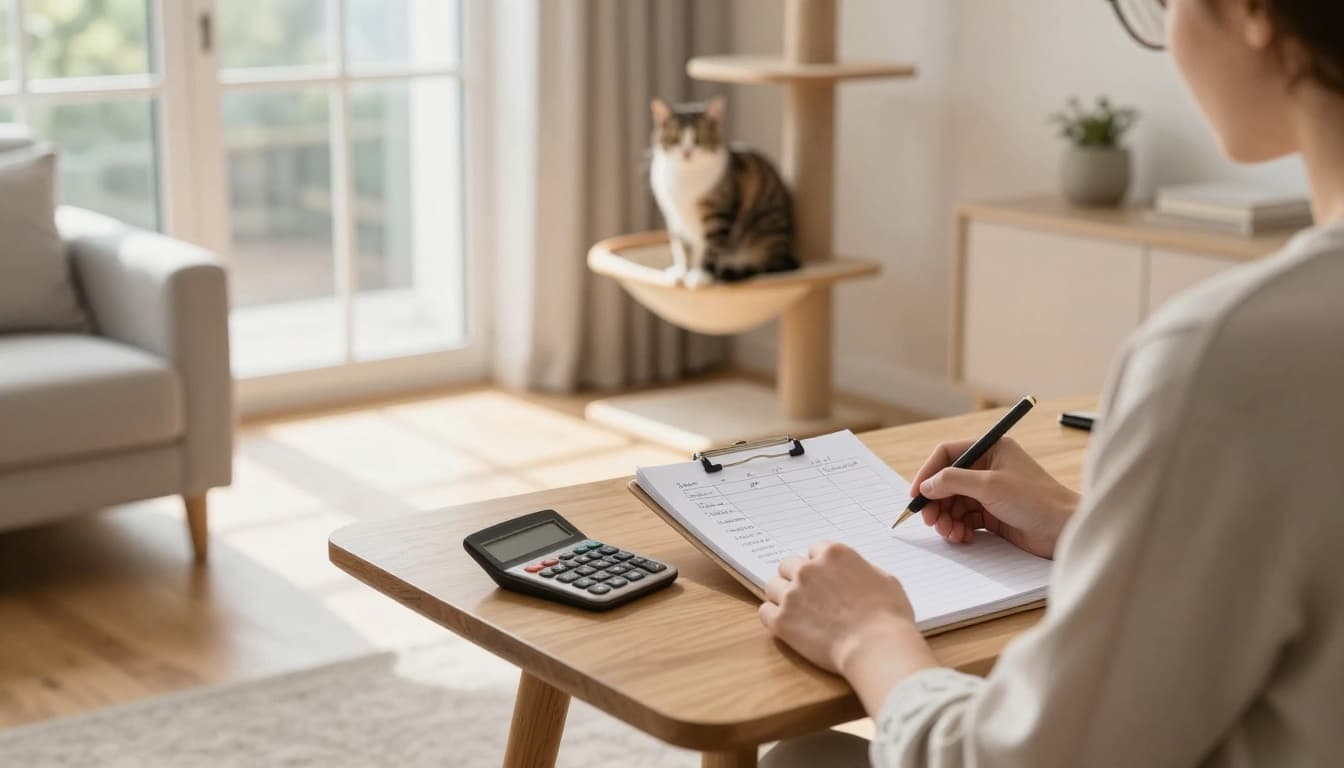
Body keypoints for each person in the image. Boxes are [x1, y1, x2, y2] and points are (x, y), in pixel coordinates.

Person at [757, 0, 1344, 765]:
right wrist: (1081, 523)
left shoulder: (1228, 355)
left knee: (801, 756)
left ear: (1252, 12)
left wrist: (870, 634)